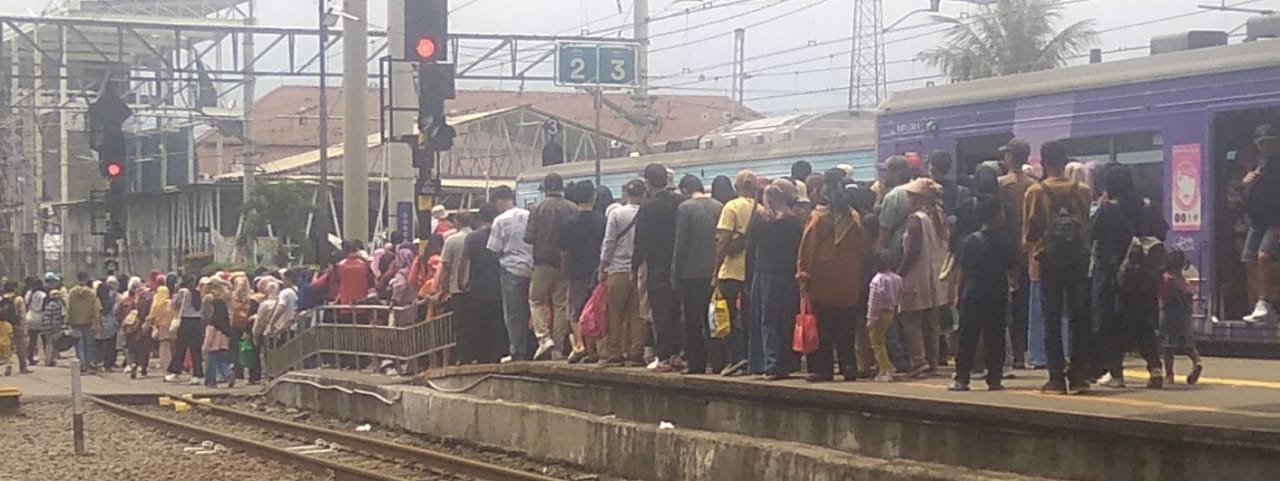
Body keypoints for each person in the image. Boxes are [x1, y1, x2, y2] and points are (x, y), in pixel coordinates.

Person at [1024, 139, 1094, 394]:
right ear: (1065, 161)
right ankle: (1079, 376)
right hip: (1078, 259)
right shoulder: (1084, 191)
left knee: (1051, 318)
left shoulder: (1036, 192)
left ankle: (1056, 379)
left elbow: (1030, 233)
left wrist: (1031, 258)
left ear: (1043, 162)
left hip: (1049, 261)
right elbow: (1086, 224)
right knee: (1079, 317)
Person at [1091, 163, 1167, 389]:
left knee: (1113, 324)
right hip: (1144, 274)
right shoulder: (1147, 205)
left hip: (1115, 275)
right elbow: (1162, 231)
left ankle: (1117, 375)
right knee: (1143, 323)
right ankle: (1155, 369)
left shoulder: (1107, 209)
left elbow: (1092, 233)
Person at [796, 169, 865, 382]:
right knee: (846, 327)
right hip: (849, 281)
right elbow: (861, 248)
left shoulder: (818, 217)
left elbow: (807, 248)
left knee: (824, 327)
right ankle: (849, 367)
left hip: (823, 281)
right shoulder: (854, 216)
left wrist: (803, 275)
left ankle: (823, 369)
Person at [950, 196, 1017, 391]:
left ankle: (962, 378)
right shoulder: (1006, 240)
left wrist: (957, 294)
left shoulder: (970, 241)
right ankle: (994, 379)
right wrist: (1012, 286)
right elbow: (1012, 270)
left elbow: (962, 270)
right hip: (997, 292)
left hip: (972, 292)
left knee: (968, 336)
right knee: (995, 336)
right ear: (998, 216)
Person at [746, 178, 806, 381]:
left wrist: (747, 279)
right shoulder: (794, 220)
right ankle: (789, 362)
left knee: (767, 320)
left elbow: (750, 251)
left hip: (764, 274)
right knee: (787, 319)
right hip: (789, 276)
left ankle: (770, 363)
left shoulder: (759, 220)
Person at [633, 163, 685, 372]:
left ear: (647, 183)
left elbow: (640, 240)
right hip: (678, 263)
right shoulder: (679, 203)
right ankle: (678, 354)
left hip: (657, 265)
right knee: (677, 310)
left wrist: (635, 266)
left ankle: (664, 356)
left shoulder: (647, 207)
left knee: (661, 312)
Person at [671, 175, 724, 374]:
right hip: (714, 271)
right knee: (713, 317)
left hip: (690, 273)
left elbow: (681, 243)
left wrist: (675, 272)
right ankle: (718, 361)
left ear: (685, 190)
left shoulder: (685, 208)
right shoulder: (718, 206)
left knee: (692, 320)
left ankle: (697, 363)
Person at [897, 178, 950, 377]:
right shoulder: (939, 216)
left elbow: (913, 250)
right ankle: (932, 361)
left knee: (910, 319)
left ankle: (918, 361)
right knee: (931, 323)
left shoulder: (915, 219)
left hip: (916, 275)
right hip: (936, 275)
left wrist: (900, 271)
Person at [524, 173, 579, 360]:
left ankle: (544, 338)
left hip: (543, 261)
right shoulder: (572, 208)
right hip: (565, 262)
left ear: (546, 188)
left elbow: (529, 237)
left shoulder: (537, 208)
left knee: (535, 300)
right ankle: (558, 347)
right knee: (561, 304)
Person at [713, 170, 758, 376]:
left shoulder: (731, 207)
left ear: (736, 186)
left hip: (730, 271)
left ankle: (736, 358)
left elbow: (723, 240)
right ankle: (752, 358)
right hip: (752, 271)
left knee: (728, 317)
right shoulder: (763, 209)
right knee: (750, 317)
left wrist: (715, 268)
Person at [598, 179, 646, 367]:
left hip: (617, 269)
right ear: (644, 194)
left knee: (615, 313)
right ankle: (636, 353)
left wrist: (602, 266)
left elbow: (609, 241)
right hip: (639, 269)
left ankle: (614, 353)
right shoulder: (646, 213)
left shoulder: (616, 214)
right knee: (637, 313)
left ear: (626, 194)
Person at [559, 180, 607, 364]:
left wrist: (565, 272)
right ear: (594, 196)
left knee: (576, 311)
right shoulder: (602, 220)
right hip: (596, 271)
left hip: (576, 271)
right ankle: (595, 349)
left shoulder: (568, 222)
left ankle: (580, 346)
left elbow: (564, 252)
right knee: (596, 309)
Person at [999, 138, 1035, 370]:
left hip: (1008, 249)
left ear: (1011, 157)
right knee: (1025, 305)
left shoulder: (1002, 184)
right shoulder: (1034, 184)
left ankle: (1011, 354)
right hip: (1030, 251)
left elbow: (1000, 218)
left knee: (1008, 305)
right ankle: (1023, 353)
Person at [487, 186, 535, 361]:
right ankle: (535, 347)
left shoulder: (500, 220)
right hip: (532, 268)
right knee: (534, 310)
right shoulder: (529, 215)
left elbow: (494, 248)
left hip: (510, 269)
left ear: (499, 201)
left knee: (514, 313)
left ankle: (517, 350)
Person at [460, 203, 508, 364]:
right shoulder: (502, 235)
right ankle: (498, 355)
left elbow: (464, 261)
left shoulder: (472, 238)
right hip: (499, 287)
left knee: (479, 325)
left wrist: (462, 282)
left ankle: (482, 357)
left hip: (478, 288)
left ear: (480, 218)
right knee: (498, 324)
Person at [1242, 124, 1280, 322]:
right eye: (1262, 143)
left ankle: (1265, 302)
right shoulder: (1256, 164)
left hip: (1276, 219)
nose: (1267, 146)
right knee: (1248, 259)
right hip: (1257, 221)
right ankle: (1263, 302)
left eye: (1271, 142)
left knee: (1264, 256)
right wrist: (1245, 184)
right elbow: (1241, 196)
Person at [1161, 248, 1204, 385]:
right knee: (1188, 344)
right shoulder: (1183, 281)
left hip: (1168, 315)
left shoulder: (1167, 279)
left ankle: (1169, 374)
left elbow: (1163, 297)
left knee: (1168, 346)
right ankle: (1197, 361)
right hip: (1184, 316)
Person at [866, 249, 902, 382]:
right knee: (884, 340)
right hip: (891, 311)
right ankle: (889, 365)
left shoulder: (877, 280)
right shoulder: (897, 278)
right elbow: (899, 295)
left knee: (876, 343)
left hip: (879, 313)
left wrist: (871, 318)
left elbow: (874, 302)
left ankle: (885, 369)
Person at [166, 274, 205, 385]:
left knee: (181, 347)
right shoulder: (197, 293)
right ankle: (197, 374)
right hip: (197, 322)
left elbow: (175, 305)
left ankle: (176, 372)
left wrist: (175, 291)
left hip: (186, 321)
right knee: (195, 349)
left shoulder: (183, 292)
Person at [436, 212, 475, 310]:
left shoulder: (451, 240)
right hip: (477, 288)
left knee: (459, 321)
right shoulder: (479, 238)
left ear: (457, 222)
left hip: (456, 288)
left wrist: (444, 288)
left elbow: (446, 267)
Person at [66, 273, 101, 374]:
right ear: (86, 280)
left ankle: (81, 364)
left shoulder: (72, 292)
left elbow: (69, 307)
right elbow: (95, 309)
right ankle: (88, 364)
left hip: (75, 321)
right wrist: (97, 322)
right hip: (88, 321)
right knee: (89, 344)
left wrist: (68, 319)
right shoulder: (91, 293)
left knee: (78, 344)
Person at [202, 291, 235, 388]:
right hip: (224, 346)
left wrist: (205, 348)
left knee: (211, 366)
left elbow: (209, 337)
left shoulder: (212, 323)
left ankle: (210, 382)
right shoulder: (225, 323)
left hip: (213, 347)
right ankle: (229, 374)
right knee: (223, 363)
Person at [149, 284, 176, 379]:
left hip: (162, 327)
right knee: (173, 349)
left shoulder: (156, 303)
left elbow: (151, 316)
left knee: (164, 349)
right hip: (172, 327)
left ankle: (166, 368)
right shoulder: (171, 302)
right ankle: (174, 367)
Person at [96, 276, 122, 371]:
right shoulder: (112, 300)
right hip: (111, 324)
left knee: (100, 345)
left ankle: (99, 362)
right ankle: (109, 363)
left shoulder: (97, 300)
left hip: (101, 323)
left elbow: (98, 311)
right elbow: (115, 310)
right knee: (111, 345)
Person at [0, 280, 25, 376]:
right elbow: (22, 314)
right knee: (20, 346)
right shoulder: (18, 299)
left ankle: (7, 364)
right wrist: (23, 326)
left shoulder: (2, 299)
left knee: (5, 347)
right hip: (16, 324)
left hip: (3, 325)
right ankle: (23, 367)